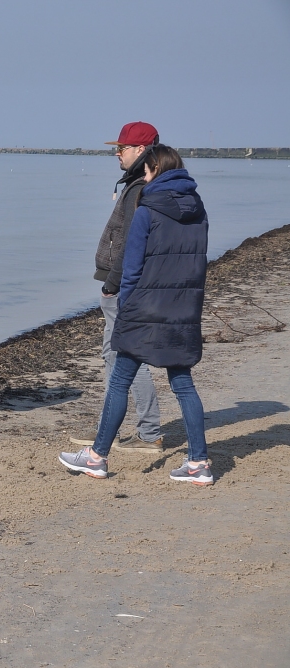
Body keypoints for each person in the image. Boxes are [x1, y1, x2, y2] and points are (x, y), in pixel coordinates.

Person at [60, 145, 212, 485]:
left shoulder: (147, 208)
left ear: (155, 167)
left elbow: (131, 268)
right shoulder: (199, 210)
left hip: (143, 308)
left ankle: (96, 457)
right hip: (183, 308)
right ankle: (199, 463)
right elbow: (196, 262)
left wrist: (124, 305)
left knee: (119, 381)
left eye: (146, 170)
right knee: (183, 384)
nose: (143, 175)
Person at [70, 122, 164, 454]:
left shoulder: (140, 187)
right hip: (124, 283)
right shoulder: (141, 183)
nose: (117, 153)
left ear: (141, 151)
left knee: (123, 356)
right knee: (116, 356)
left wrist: (111, 285)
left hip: (124, 285)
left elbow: (130, 243)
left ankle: (148, 434)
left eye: (122, 148)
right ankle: (116, 432)